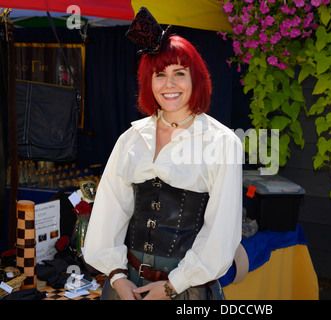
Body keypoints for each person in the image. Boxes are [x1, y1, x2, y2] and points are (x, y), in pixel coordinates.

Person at [83, 7, 242, 300]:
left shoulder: (221, 142)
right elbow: (110, 212)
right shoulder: (131, 139)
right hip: (126, 286)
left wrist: (172, 286)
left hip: (186, 290)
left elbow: (222, 232)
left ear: (196, 79)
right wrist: (118, 278)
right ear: (148, 82)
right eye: (160, 74)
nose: (169, 84)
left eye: (179, 73)